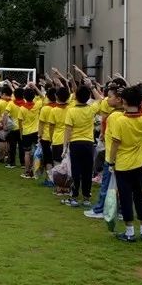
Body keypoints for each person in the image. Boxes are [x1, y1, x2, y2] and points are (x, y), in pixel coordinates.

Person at [108, 85, 142, 242]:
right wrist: (138, 94)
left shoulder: (120, 121)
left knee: (126, 198)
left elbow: (115, 144)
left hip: (122, 164)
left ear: (124, 102)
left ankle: (129, 231)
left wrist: (110, 162)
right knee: (139, 196)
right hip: (139, 163)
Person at [84, 85, 123, 219]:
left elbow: (115, 139)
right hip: (127, 158)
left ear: (119, 99)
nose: (107, 99)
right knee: (122, 186)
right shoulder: (130, 115)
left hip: (112, 156)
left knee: (107, 185)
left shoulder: (114, 117)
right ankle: (120, 211)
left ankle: (101, 208)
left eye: (110, 96)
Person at [62, 78, 103, 207]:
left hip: (75, 143)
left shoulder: (72, 111)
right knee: (87, 171)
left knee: (76, 170)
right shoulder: (90, 109)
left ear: (76, 97)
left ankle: (74, 197)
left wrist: (64, 147)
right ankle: (86, 198)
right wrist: (92, 87)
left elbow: (68, 131)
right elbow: (100, 99)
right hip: (88, 144)